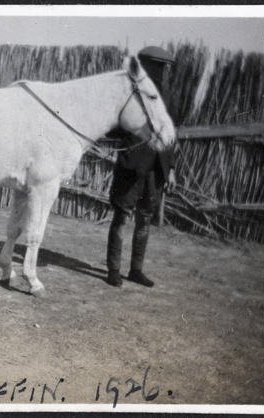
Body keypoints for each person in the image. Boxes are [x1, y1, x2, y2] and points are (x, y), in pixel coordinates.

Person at [106, 46, 177, 288]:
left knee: (145, 219)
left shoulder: (166, 96)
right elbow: (113, 126)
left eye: (164, 68)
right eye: (157, 66)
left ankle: (136, 270)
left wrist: (172, 168)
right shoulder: (128, 92)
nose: (161, 72)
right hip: (132, 165)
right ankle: (113, 270)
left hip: (157, 168)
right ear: (145, 64)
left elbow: (171, 132)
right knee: (122, 217)